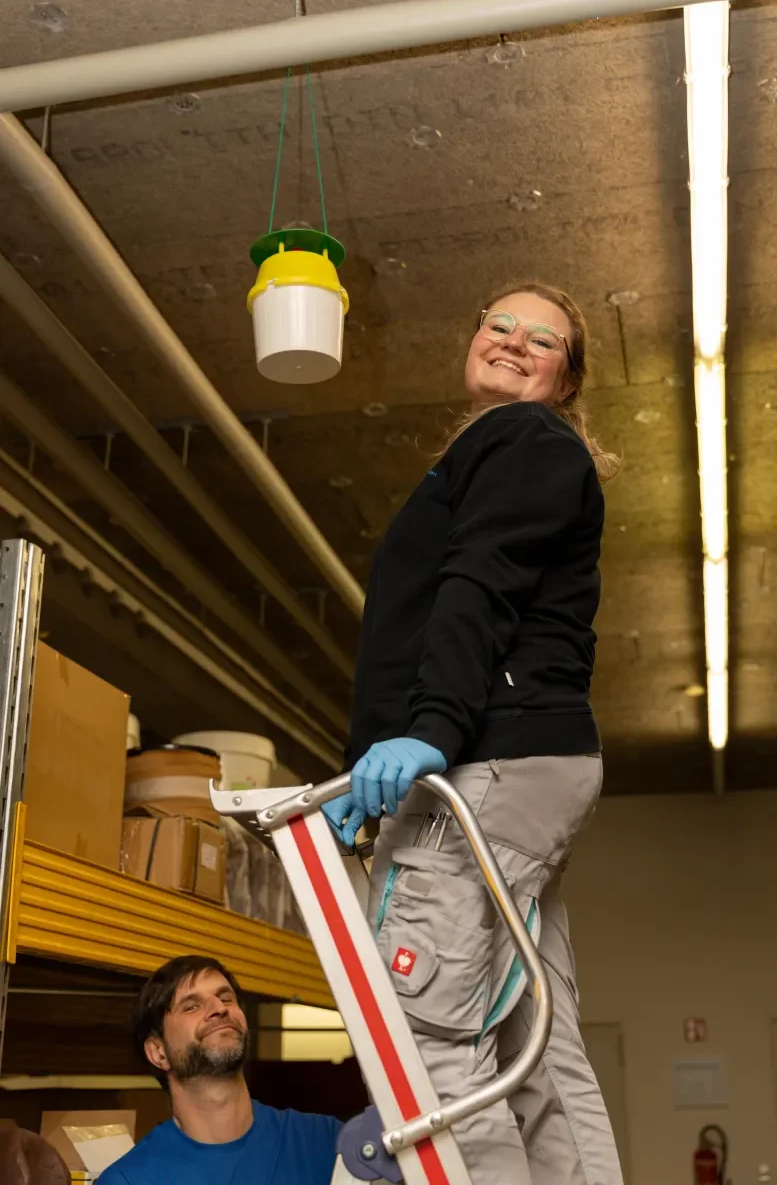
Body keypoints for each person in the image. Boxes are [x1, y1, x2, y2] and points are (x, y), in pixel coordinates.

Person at [324, 282, 623, 1185]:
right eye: (498, 323)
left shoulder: (522, 438)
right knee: (536, 1039)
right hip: (523, 763)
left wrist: (431, 730)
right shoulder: (511, 451)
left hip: (483, 758)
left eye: (543, 340)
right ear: (472, 337)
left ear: (564, 379)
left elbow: (480, 582)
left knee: (425, 1048)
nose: (514, 341)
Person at [99, 955, 339, 1185]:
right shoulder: (131, 1180)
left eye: (226, 999)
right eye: (191, 1007)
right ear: (159, 1053)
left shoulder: (327, 1142)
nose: (218, 1008)